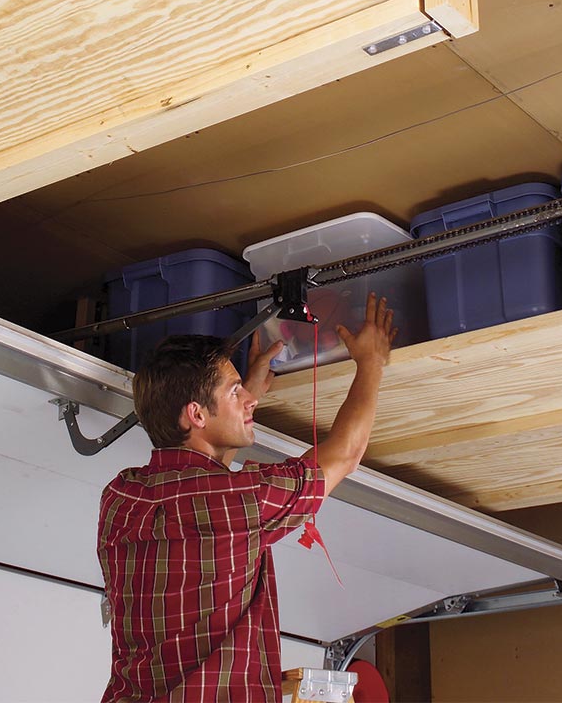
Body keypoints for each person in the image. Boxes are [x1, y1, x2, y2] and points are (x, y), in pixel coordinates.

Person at [97, 293, 396, 703]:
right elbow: (344, 455)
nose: (248, 399)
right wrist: (372, 362)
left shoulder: (122, 497)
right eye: (234, 391)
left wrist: (243, 399)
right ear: (197, 415)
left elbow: (207, 494)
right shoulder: (227, 502)